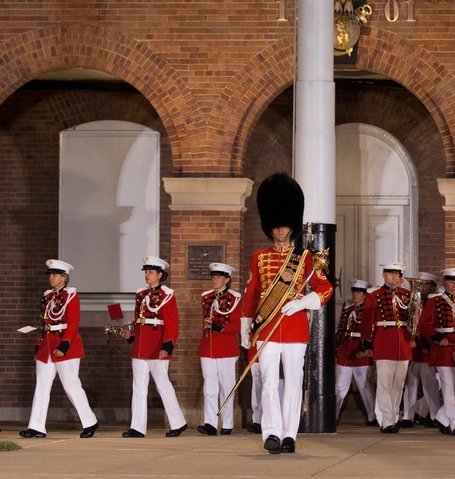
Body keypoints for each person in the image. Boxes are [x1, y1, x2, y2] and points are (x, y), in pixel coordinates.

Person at [240, 173, 333, 454]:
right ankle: (271, 433)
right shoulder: (259, 257)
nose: (280, 231)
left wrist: (304, 303)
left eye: (283, 226)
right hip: (266, 328)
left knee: (293, 384)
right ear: (270, 227)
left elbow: (325, 287)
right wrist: (246, 326)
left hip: (294, 328)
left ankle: (289, 434)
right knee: (268, 382)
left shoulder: (306, 259)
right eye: (275, 227)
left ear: (291, 226)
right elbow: (252, 293)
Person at [19, 259, 99, 439]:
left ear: (64, 278)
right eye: (50, 274)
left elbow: (73, 323)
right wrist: (37, 348)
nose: (51, 278)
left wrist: (64, 345)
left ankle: (89, 421)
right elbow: (43, 323)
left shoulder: (71, 295)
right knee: (41, 386)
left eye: (55, 275)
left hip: (65, 346)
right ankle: (36, 426)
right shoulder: (47, 296)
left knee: (71, 385)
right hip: (47, 346)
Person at [122, 256, 187, 438]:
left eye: (151, 272)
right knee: (139, 387)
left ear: (160, 274)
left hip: (158, 346)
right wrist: (131, 335)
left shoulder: (167, 295)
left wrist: (167, 346)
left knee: (162, 385)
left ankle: (178, 423)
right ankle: (137, 427)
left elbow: (172, 324)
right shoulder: (141, 294)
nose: (147, 275)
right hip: (141, 347)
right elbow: (138, 320)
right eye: (146, 272)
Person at [419, 267, 455, 436]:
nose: (454, 284)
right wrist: (437, 337)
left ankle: (442, 418)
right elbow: (424, 325)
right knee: (448, 388)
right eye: (451, 281)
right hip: (443, 348)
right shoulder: (434, 300)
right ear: (444, 282)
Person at [359, 262, 413, 434]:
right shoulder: (374, 295)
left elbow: (411, 319)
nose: (394, 277)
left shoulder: (407, 295)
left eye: (397, 274)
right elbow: (367, 321)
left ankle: (392, 418)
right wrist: (367, 343)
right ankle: (387, 421)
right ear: (383, 275)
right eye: (390, 274)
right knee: (384, 384)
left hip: (403, 343)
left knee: (399, 384)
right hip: (383, 342)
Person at [197, 262, 242, 436]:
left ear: (227, 279)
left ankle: (227, 423)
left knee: (226, 386)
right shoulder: (205, 297)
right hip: (208, 346)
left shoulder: (235, 298)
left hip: (226, 347)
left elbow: (237, 324)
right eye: (213, 276)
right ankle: (210, 423)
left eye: (219, 277)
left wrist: (219, 327)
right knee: (209, 387)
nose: (214, 279)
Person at [334, 279, 377, 426]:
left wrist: (367, 350)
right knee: (339, 386)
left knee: (365, 386)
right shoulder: (347, 310)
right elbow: (341, 330)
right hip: (346, 350)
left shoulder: (370, 310)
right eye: (354, 292)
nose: (355, 295)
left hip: (361, 349)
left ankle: (373, 417)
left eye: (359, 292)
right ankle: (333, 416)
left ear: (365, 295)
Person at [402, 272, 441, 427]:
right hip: (413, 347)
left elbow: (436, 326)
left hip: (425, 347)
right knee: (410, 384)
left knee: (429, 384)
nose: (421, 288)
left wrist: (429, 345)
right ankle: (407, 416)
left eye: (425, 284)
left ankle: (435, 415)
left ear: (432, 286)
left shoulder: (436, 302)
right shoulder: (413, 301)